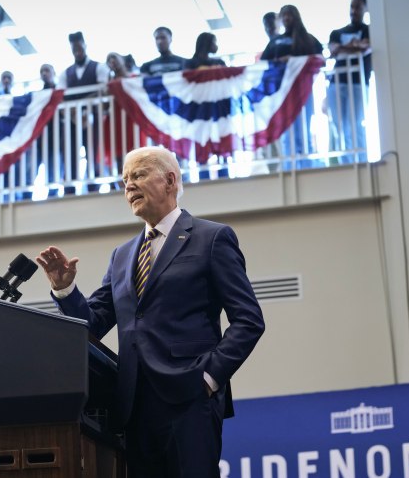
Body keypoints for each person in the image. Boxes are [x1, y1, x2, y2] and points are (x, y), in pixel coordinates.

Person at [37, 146, 265, 478]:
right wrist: (64, 289)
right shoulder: (122, 255)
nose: (128, 186)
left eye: (139, 175)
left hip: (190, 399)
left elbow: (249, 319)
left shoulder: (212, 238)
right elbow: (92, 325)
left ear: (170, 180)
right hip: (134, 407)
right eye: (125, 179)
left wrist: (209, 377)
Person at [261, 5, 324, 168]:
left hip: (303, 91)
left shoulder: (308, 39)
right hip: (283, 93)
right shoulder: (276, 41)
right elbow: (264, 64)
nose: (286, 18)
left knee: (304, 130)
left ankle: (306, 167)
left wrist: (294, 60)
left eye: (289, 15)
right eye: (283, 16)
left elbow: (319, 58)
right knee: (287, 132)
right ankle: (290, 168)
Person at [57, 32, 110, 183]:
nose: (77, 50)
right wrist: (73, 111)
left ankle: (95, 185)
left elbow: (102, 90)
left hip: (94, 117)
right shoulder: (65, 73)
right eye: (74, 47)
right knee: (69, 155)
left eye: (79, 46)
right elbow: (60, 96)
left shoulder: (99, 67)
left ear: (85, 45)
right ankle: (69, 188)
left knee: (94, 153)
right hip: (72, 120)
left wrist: (83, 106)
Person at [327, 0, 371, 163]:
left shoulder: (369, 30)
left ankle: (361, 161)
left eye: (358, 7)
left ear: (365, 9)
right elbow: (333, 50)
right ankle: (346, 162)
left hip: (358, 83)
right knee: (340, 126)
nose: (354, 11)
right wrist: (353, 46)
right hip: (338, 82)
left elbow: (366, 47)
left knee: (356, 124)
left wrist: (348, 48)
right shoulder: (337, 32)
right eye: (352, 7)